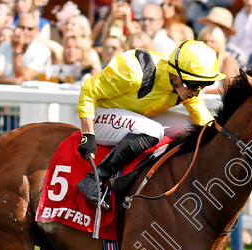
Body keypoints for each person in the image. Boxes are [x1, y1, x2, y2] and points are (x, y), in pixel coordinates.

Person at [75, 40, 226, 203]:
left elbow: (206, 123)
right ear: (174, 75)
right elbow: (88, 91)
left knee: (194, 130)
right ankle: (94, 179)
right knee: (153, 130)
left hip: (138, 116)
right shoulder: (132, 71)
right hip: (101, 113)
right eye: (193, 84)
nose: (197, 92)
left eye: (203, 85)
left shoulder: (185, 84)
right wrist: (87, 133)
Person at [0, 11, 50, 84]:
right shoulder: (4, 45)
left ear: (36, 30)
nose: (25, 32)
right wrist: (13, 81)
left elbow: (25, 78)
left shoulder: (42, 51)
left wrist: (17, 50)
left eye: (29, 29)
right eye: (21, 28)